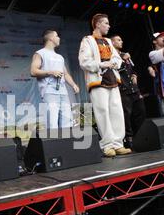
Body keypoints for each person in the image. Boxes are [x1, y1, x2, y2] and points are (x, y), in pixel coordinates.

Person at [78, 13, 131, 158]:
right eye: (106, 23)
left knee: (117, 112)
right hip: (98, 81)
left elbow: (117, 58)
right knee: (103, 112)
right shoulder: (88, 40)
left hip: (112, 79)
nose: (109, 26)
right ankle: (107, 145)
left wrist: (114, 62)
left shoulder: (108, 41)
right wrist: (102, 64)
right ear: (97, 24)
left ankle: (118, 144)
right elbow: (84, 61)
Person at [30, 30, 80, 129]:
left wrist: (74, 85)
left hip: (63, 92)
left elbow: (65, 74)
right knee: (52, 122)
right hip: (49, 91)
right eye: (57, 36)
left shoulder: (60, 57)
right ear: (51, 38)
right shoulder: (40, 53)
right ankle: (53, 143)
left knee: (67, 121)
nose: (59, 38)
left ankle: (65, 143)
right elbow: (33, 71)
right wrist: (51, 72)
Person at [111, 35, 146, 149]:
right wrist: (122, 59)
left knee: (141, 111)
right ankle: (129, 139)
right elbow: (114, 68)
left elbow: (133, 69)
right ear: (112, 42)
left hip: (134, 89)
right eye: (118, 40)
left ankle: (142, 136)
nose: (121, 41)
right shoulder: (111, 56)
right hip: (123, 90)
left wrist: (135, 75)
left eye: (121, 39)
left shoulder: (126, 55)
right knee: (126, 115)